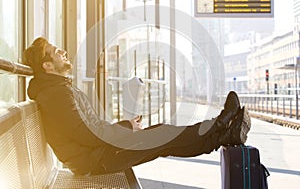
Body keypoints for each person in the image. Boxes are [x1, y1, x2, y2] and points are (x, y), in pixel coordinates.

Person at [23, 37, 251, 175]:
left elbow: (88, 128)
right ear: (47, 66)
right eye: (56, 52)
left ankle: (222, 131)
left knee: (163, 137)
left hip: (97, 153)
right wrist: (126, 129)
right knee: (163, 136)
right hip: (96, 160)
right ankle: (221, 128)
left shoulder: (59, 89)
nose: (62, 52)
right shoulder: (56, 94)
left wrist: (125, 126)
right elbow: (86, 133)